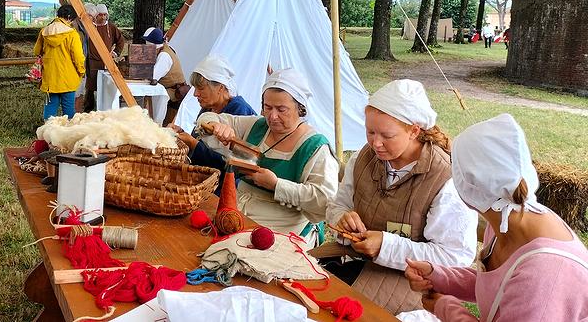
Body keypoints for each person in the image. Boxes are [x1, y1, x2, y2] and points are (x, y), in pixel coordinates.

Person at [311, 79, 477, 315]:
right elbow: (338, 205)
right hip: (356, 263)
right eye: (370, 132)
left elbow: (454, 258)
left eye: (386, 135)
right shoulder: (363, 159)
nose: (375, 143)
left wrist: (386, 246)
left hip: (410, 284)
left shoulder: (444, 179)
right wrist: (342, 218)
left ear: (414, 130)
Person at [405, 114, 588, 321]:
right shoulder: (506, 216)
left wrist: (444, 306)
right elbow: (498, 285)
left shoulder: (544, 274)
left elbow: (521, 289)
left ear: (468, 186)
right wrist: (437, 276)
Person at [196, 68, 339, 244]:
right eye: (267, 107)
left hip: (282, 229)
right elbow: (208, 119)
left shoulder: (315, 147)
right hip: (237, 214)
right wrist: (214, 124)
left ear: (300, 108)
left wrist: (276, 186)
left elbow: (325, 200)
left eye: (281, 109)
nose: (272, 116)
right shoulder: (256, 126)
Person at [168, 55, 256, 167]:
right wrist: (181, 133)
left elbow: (232, 165)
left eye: (200, 88)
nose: (195, 94)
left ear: (220, 87)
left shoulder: (240, 111)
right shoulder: (208, 107)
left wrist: (192, 143)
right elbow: (202, 141)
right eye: (195, 88)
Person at [34, 4, 86, 120]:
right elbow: (78, 57)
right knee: (68, 108)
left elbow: (36, 51)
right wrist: (81, 71)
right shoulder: (72, 34)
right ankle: (67, 132)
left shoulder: (44, 31)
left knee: (51, 105)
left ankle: (47, 131)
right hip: (68, 78)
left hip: (50, 77)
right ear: (69, 17)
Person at [84, 3, 125, 112]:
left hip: (106, 63)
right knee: (90, 88)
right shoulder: (90, 27)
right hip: (92, 62)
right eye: (100, 15)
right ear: (96, 15)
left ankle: (104, 109)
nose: (102, 17)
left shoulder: (111, 27)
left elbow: (120, 41)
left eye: (104, 15)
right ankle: (88, 111)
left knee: (106, 87)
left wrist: (115, 53)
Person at [143, 27, 187, 125]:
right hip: (170, 87)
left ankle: (156, 124)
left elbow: (153, 76)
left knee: (158, 95)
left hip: (173, 91)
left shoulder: (164, 56)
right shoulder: (164, 49)